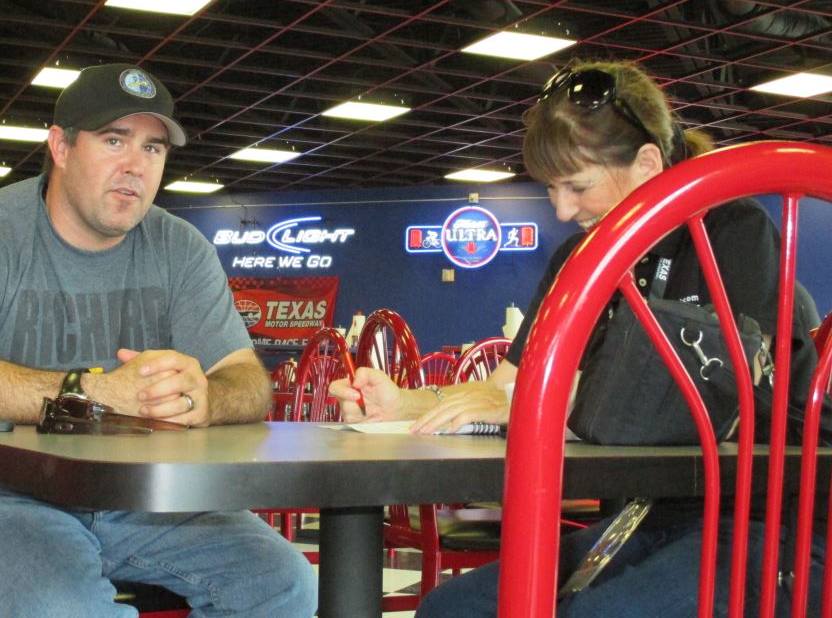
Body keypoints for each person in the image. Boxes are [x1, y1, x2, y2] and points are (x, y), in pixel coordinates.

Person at [330, 60, 825, 617]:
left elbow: (730, 398)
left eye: (578, 185)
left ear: (647, 163)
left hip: (775, 521)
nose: (562, 209)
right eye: (550, 187)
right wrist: (405, 403)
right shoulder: (578, 259)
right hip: (653, 513)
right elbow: (506, 386)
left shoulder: (733, 230)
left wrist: (550, 400)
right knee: (453, 609)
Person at [0, 63, 318, 618]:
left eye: (152, 148)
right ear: (61, 147)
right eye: (114, 140)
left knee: (283, 583)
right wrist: (97, 393)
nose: (135, 166)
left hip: (142, 500)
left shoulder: (181, 248)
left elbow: (247, 381)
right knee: (67, 608)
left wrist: (206, 397)